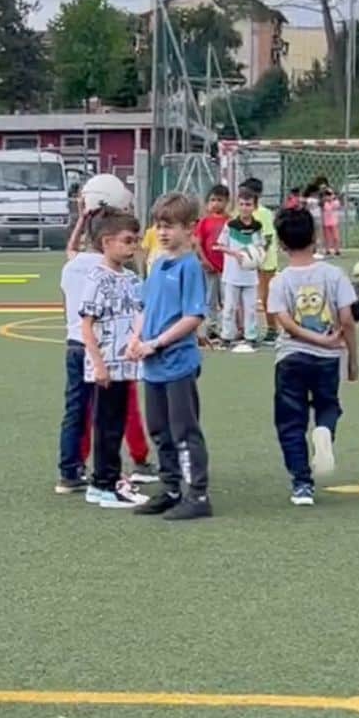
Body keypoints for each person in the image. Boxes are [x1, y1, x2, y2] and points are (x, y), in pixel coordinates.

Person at [266, 205, 359, 508]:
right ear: (316, 237)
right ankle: (324, 432)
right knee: (328, 406)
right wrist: (351, 356)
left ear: (281, 244)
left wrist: (310, 337)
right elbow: (346, 319)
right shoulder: (334, 274)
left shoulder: (280, 281)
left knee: (290, 421)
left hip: (291, 358)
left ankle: (302, 484)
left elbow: (285, 322)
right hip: (327, 358)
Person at [60, 206, 158, 493]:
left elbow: (70, 252)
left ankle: (72, 470)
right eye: (128, 240)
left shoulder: (74, 264)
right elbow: (89, 318)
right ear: (106, 240)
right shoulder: (101, 274)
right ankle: (122, 468)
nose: (133, 246)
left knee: (78, 411)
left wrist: (81, 220)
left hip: (78, 346)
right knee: (115, 414)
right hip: (101, 351)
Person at [129, 193, 212, 520]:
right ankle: (171, 488)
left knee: (184, 431)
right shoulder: (159, 263)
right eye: (159, 226)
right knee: (160, 430)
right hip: (153, 366)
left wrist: (157, 343)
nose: (162, 233)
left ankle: (198, 495)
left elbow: (193, 317)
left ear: (190, 228)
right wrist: (135, 340)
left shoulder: (190, 267)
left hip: (178, 364)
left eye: (170, 226)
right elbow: (145, 308)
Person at [218, 201, 266, 352]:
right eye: (242, 204)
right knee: (229, 307)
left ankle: (250, 336)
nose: (245, 207)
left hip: (250, 276)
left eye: (249, 204)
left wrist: (257, 257)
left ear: (254, 207)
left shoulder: (257, 227)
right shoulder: (230, 225)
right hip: (232, 275)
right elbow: (220, 245)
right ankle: (227, 336)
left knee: (250, 308)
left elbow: (260, 246)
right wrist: (235, 254)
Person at [237, 179, 278, 347]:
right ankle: (248, 330)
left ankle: (273, 329)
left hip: (265, 262)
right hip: (248, 263)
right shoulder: (240, 213)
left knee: (267, 297)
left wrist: (258, 256)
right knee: (249, 298)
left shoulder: (264, 213)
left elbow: (267, 237)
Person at [194, 186, 231, 339]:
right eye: (212, 200)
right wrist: (203, 260)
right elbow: (197, 243)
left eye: (220, 200)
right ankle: (211, 327)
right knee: (210, 298)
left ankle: (226, 328)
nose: (216, 204)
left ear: (227, 202)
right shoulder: (204, 222)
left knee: (227, 299)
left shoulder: (231, 222)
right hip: (209, 267)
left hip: (227, 269)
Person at [320, 185, 344, 257]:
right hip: (326, 222)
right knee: (327, 237)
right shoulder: (324, 203)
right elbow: (323, 207)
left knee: (335, 237)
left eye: (329, 194)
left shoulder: (335, 202)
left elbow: (336, 206)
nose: (328, 196)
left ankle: (337, 250)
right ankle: (327, 250)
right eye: (327, 195)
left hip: (334, 222)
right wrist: (325, 199)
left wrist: (332, 199)